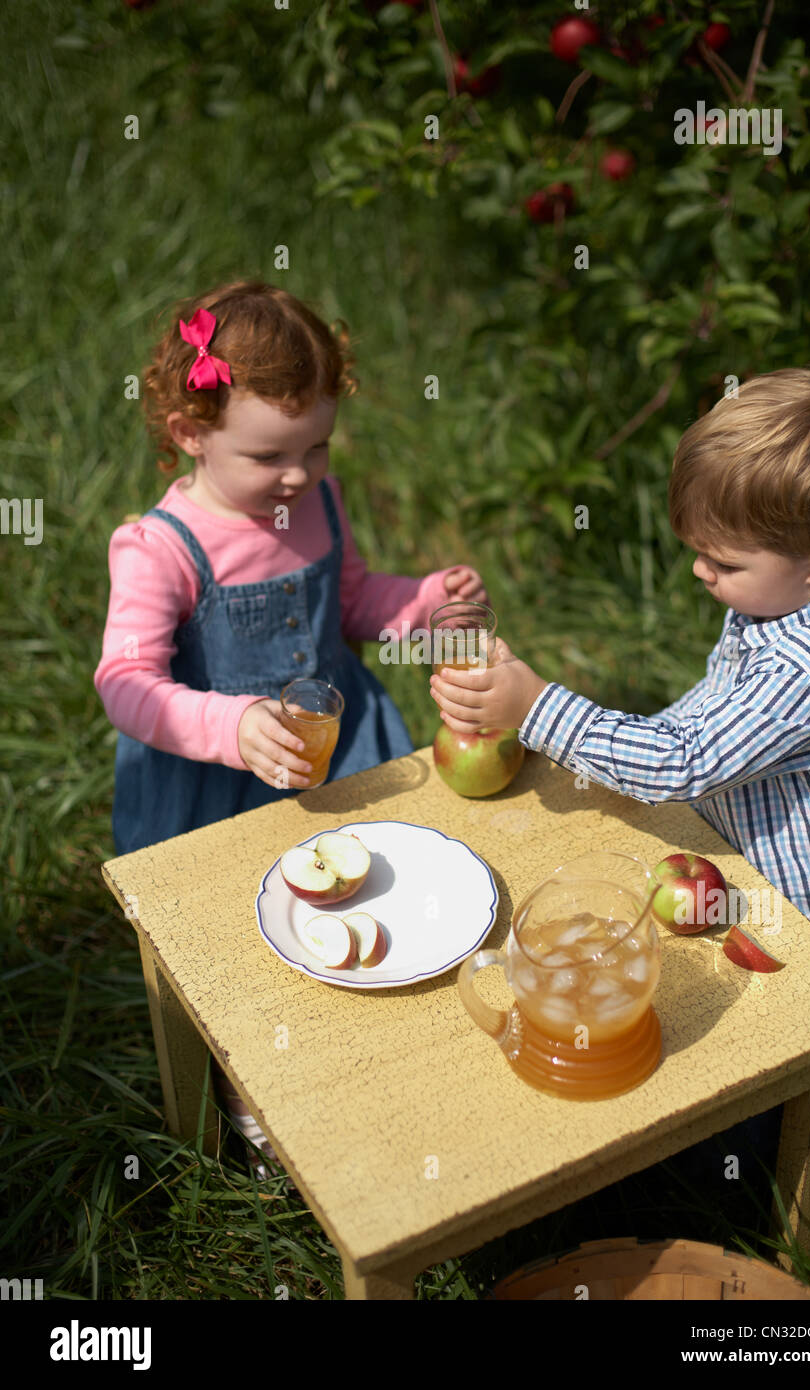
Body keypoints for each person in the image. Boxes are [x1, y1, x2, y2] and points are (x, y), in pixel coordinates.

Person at [95, 279, 489, 1171]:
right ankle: (256, 1089)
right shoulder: (160, 548)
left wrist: (421, 605)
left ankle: (372, 1047)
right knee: (239, 941)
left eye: (317, 447)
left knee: (357, 896)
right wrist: (230, 726)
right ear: (189, 433)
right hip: (215, 778)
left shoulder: (319, 502)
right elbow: (125, 682)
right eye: (271, 455)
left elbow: (347, 610)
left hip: (334, 746)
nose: (298, 476)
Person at [431, 366, 810, 976]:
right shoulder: (783, 599)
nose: (698, 572)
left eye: (721, 561)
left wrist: (535, 710)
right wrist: (582, 745)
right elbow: (712, 706)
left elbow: (683, 763)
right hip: (736, 862)